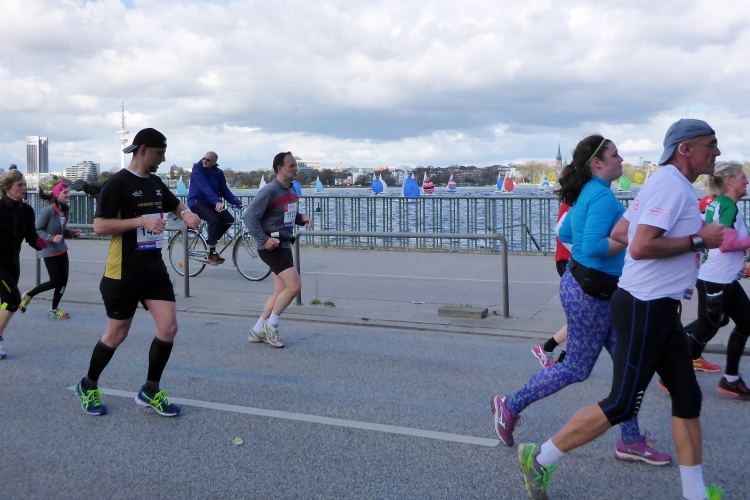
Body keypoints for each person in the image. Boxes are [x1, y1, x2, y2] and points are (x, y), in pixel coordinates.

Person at [516, 119, 725, 500]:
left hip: (661, 305)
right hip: (644, 305)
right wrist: (700, 240)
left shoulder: (667, 182)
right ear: (685, 149)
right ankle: (540, 458)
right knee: (622, 403)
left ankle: (695, 494)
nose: (717, 151)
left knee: (687, 397)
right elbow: (640, 246)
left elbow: (621, 233)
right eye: (710, 144)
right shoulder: (670, 186)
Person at [492, 135, 670, 470]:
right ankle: (509, 405)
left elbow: (566, 234)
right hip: (591, 294)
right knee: (577, 368)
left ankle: (631, 440)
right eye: (615, 155)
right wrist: (632, 239)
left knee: (628, 365)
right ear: (597, 163)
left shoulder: (590, 191)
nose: (621, 159)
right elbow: (591, 247)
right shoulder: (600, 196)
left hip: (593, 290)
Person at [73, 128, 200, 417]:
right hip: (123, 272)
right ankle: (88, 384)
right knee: (117, 334)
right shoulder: (118, 183)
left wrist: (186, 213)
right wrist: (140, 221)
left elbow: (175, 204)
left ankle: (150, 391)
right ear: (142, 149)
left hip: (153, 271)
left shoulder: (155, 182)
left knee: (169, 328)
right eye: (159, 153)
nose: (163, 159)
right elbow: (100, 226)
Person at [681, 163, 750, 399]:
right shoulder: (728, 205)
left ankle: (731, 380)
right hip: (716, 279)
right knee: (707, 328)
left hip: (724, 277)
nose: (747, 181)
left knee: (745, 322)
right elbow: (727, 244)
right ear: (730, 181)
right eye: (743, 177)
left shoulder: (718, 203)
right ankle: (673, 376)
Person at [243, 152, 313, 348]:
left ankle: (257, 330)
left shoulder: (291, 189)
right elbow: (249, 217)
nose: (295, 168)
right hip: (271, 247)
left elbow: (286, 213)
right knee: (295, 286)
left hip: (284, 244)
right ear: (279, 168)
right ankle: (271, 326)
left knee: (281, 290)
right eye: (291, 165)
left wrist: (301, 218)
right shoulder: (269, 190)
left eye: (296, 165)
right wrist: (264, 240)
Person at [0, 170, 48, 359]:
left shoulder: (27, 211)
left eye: (24, 184)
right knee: (13, 300)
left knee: (7, 302)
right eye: (19, 185)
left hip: (13, 262)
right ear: (7, 188)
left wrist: (37, 242)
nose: (24, 188)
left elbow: (30, 235)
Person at [19, 182, 81, 319]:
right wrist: (50, 237)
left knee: (63, 281)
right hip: (49, 250)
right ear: (57, 194)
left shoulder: (64, 210)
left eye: (69, 192)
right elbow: (37, 230)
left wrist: (72, 233)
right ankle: (28, 295)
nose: (68, 195)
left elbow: (61, 231)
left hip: (61, 249)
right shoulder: (48, 211)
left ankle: (53, 310)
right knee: (55, 281)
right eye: (65, 192)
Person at [531, 199, 572, 367]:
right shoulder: (577, 199)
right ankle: (547, 349)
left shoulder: (578, 197)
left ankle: (562, 359)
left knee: (582, 314)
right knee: (583, 315)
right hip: (569, 260)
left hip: (570, 259)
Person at [187, 151, 243, 263]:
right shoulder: (197, 170)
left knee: (229, 219)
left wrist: (237, 203)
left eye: (208, 160)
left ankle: (211, 241)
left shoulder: (218, 172)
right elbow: (204, 187)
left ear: (214, 162)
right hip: (197, 202)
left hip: (212, 203)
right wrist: (217, 201)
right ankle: (212, 253)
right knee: (214, 219)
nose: (204, 161)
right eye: (204, 158)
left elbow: (224, 190)